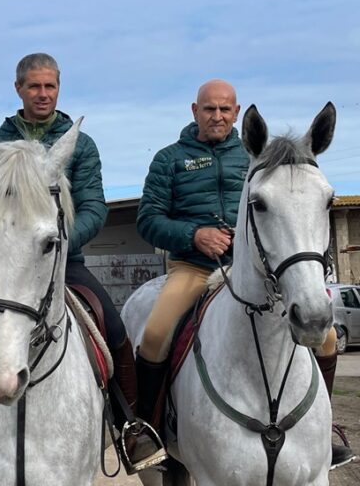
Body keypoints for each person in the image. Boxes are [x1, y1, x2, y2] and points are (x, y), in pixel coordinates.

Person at [0, 53, 164, 472]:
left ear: (59, 89)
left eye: (50, 86)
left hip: (62, 259)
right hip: (2, 263)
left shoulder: (82, 145)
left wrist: (56, 242)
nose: (43, 94)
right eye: (34, 86)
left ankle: (130, 427)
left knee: (111, 326)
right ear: (19, 88)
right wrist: (3, 241)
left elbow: (94, 206)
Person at [136, 78, 355, 469]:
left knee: (327, 337)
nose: (217, 116)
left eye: (224, 109)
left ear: (237, 115)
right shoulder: (170, 159)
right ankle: (148, 434)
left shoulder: (257, 157)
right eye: (209, 109)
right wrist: (194, 234)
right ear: (195, 111)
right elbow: (148, 219)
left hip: (253, 269)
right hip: (193, 266)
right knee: (154, 335)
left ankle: (324, 428)